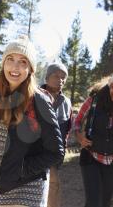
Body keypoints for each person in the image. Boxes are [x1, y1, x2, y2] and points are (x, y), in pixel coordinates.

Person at [0, 36, 65, 207]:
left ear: (31, 69)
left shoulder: (38, 100)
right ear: (3, 63)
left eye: (23, 62)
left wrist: (20, 170)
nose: (15, 67)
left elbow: (56, 152)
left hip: (27, 186)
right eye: (10, 59)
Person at [75, 71, 113, 207]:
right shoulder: (94, 100)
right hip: (90, 156)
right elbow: (77, 121)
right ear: (109, 85)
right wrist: (79, 136)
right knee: (93, 202)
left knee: (105, 202)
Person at [40, 63, 72, 207]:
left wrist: (61, 152)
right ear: (47, 77)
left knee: (53, 189)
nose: (60, 80)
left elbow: (67, 130)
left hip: (54, 156)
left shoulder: (66, 102)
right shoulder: (34, 95)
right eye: (56, 76)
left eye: (63, 77)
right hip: (32, 155)